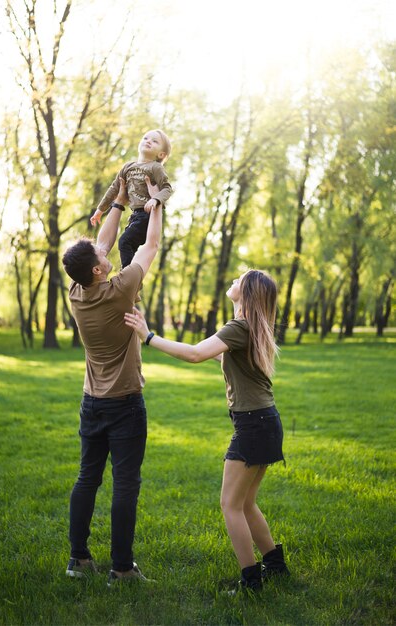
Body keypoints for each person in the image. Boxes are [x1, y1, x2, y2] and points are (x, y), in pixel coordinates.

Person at [124, 270, 289, 593]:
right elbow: (216, 356)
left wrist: (148, 336)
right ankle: (276, 566)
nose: (232, 281)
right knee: (245, 502)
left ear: (248, 292)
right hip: (264, 422)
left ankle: (251, 581)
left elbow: (196, 354)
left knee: (231, 505)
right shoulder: (249, 328)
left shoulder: (240, 327)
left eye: (239, 279)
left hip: (254, 425)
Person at [62, 178, 162, 586]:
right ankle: (121, 569)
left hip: (92, 402)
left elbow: (99, 248)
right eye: (101, 256)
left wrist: (118, 203)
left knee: (88, 478)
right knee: (125, 484)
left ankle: (78, 559)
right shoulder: (122, 291)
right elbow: (149, 247)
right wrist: (155, 206)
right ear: (100, 270)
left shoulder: (77, 292)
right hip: (124, 404)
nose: (105, 250)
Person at [90, 129, 173, 268]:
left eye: (154, 141)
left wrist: (155, 199)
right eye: (146, 138)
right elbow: (114, 189)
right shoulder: (128, 167)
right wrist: (100, 209)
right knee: (129, 245)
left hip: (148, 216)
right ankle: (133, 276)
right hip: (135, 216)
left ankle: (128, 275)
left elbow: (167, 189)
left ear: (161, 154)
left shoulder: (156, 167)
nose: (148, 141)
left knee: (124, 242)